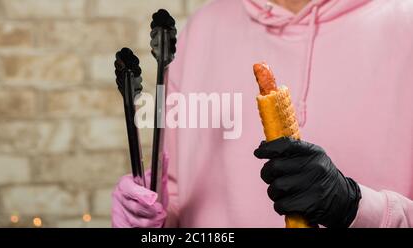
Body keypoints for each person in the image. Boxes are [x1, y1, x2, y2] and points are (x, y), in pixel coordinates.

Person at [111, 0, 413, 227]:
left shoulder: (405, 24)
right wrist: (151, 218)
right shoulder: (202, 28)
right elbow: (180, 200)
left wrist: (356, 207)